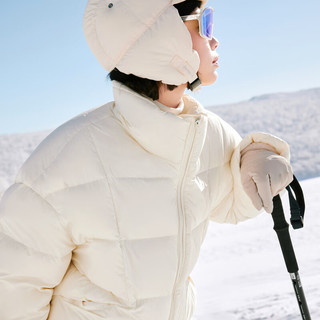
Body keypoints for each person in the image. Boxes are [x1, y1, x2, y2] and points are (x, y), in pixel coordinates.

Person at [0, 0, 293, 319]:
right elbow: (13, 288)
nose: (215, 38)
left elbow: (229, 197)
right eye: (204, 22)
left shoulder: (203, 132)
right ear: (162, 35)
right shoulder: (66, 159)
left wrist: (257, 158)